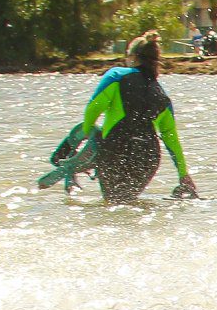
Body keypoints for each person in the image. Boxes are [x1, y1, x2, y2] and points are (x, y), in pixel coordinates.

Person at [81, 30, 199, 204]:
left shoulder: (116, 76)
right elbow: (171, 138)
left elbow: (93, 108)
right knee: (127, 201)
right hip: (148, 157)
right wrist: (183, 174)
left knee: (113, 204)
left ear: (134, 57)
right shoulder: (162, 96)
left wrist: (87, 133)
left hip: (116, 148)